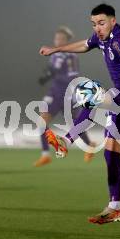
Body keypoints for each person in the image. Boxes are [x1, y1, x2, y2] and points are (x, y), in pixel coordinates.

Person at [39, 4, 120, 224]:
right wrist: (56, 49)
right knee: (111, 153)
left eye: (101, 23)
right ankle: (115, 208)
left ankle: (66, 140)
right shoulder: (102, 37)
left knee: (89, 92)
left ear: (113, 21)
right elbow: (85, 44)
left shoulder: (119, 39)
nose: (97, 28)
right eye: (94, 24)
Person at [35, 26, 95, 167]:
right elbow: (53, 72)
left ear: (67, 41)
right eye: (57, 38)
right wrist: (47, 76)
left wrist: (57, 73)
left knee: (75, 125)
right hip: (54, 93)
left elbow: (72, 76)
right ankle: (45, 154)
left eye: (61, 39)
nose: (58, 41)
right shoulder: (54, 55)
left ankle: (90, 145)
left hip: (67, 94)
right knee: (42, 121)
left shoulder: (71, 56)